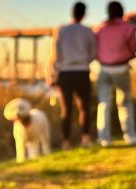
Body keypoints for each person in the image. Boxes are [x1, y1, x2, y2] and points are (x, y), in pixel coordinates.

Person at [48, 2, 96, 149]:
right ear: (84, 14)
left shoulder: (61, 30)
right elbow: (94, 53)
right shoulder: (88, 31)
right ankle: (86, 139)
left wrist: (52, 74)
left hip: (64, 74)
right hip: (82, 72)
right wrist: (84, 61)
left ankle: (65, 142)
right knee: (84, 108)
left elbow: (55, 55)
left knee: (66, 110)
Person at [95, 1, 136, 146]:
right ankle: (130, 136)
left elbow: (94, 48)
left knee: (104, 104)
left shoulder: (100, 29)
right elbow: (135, 45)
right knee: (125, 103)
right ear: (121, 12)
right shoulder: (128, 28)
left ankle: (104, 138)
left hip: (104, 68)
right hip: (122, 68)